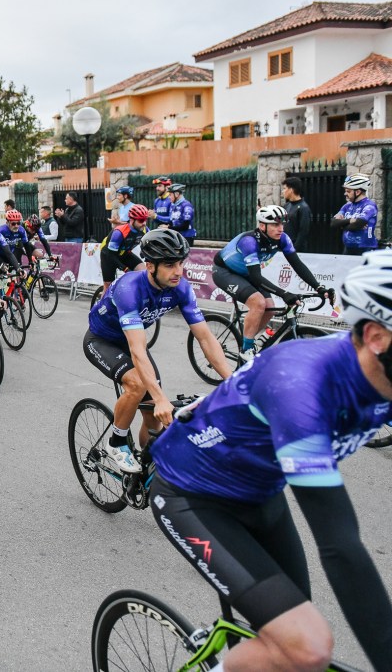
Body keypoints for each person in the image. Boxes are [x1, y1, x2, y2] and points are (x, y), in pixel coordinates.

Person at [148, 251, 392, 670]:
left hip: (261, 492)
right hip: (192, 495)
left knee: (290, 643)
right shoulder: (303, 386)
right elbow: (341, 545)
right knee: (307, 646)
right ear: (376, 337)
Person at [85, 229, 231, 473]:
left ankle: (147, 470)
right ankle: (116, 442)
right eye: (170, 265)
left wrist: (233, 381)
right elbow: (137, 350)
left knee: (155, 419)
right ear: (151, 266)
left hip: (133, 340)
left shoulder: (180, 288)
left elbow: (205, 338)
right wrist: (160, 397)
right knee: (138, 385)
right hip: (103, 340)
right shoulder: (130, 288)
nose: (178, 271)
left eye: (181, 263)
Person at [213, 205, 331, 361]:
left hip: (246, 273)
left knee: (270, 309)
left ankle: (249, 340)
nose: (280, 228)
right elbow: (256, 277)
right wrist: (283, 293)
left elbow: (298, 265)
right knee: (258, 303)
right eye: (275, 224)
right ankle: (246, 349)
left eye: (282, 224)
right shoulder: (249, 242)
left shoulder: (283, 239)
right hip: (225, 272)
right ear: (262, 226)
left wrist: (319, 287)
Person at [99, 204, 150, 294]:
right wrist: (125, 269)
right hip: (108, 255)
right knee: (108, 286)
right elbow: (111, 255)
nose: (144, 223)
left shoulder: (145, 229)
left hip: (125, 253)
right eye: (141, 220)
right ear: (132, 220)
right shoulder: (119, 232)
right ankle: (101, 303)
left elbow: (149, 244)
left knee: (144, 272)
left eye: (145, 219)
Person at [331, 173, 377, 256]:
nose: (345, 194)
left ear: (358, 192)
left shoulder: (369, 206)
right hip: (348, 249)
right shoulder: (347, 206)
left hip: (366, 248)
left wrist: (342, 225)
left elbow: (356, 225)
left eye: (348, 191)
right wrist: (350, 220)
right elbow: (333, 223)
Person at [281, 176, 311, 250]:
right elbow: (281, 222)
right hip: (285, 246)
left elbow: (303, 232)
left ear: (291, 190)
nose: (282, 191)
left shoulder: (303, 208)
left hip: (296, 249)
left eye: (284, 188)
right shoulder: (286, 205)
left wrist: (294, 249)